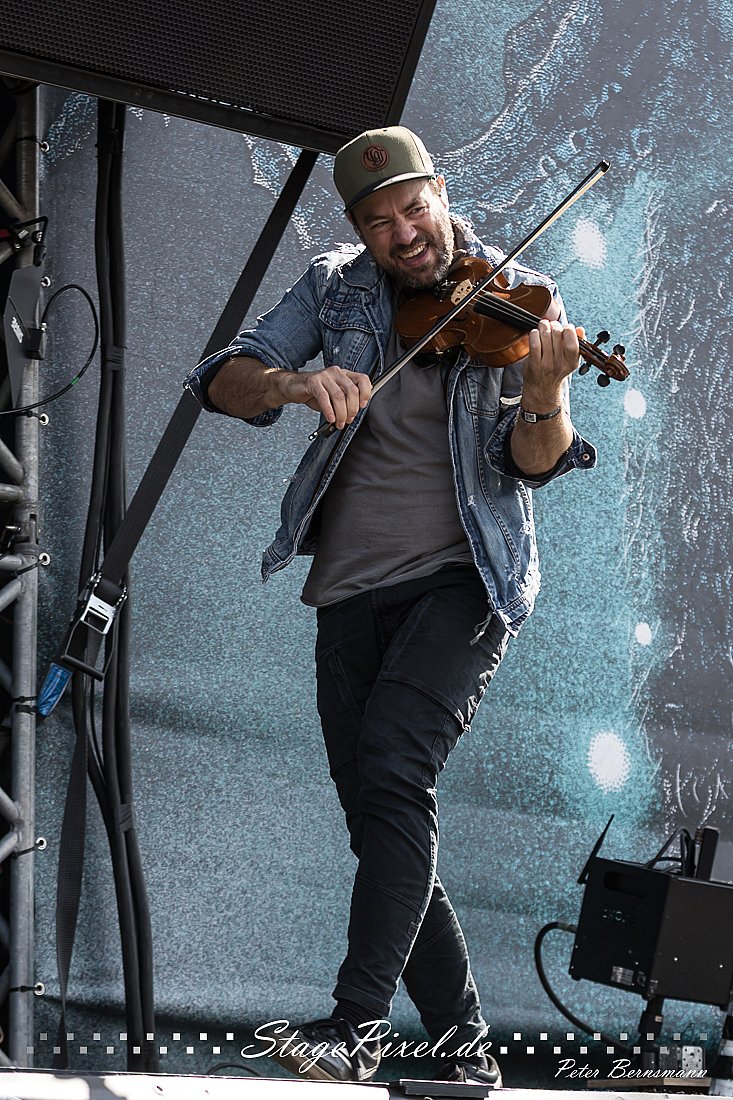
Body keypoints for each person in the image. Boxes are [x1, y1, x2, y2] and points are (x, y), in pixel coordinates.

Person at [184, 126, 597, 1085]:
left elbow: (533, 465)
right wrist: (296, 382)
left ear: (440, 192)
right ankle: (463, 1052)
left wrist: (545, 394)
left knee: (394, 776)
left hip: (463, 582)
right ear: (357, 229)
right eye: (379, 223)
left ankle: (354, 1025)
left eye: (414, 209)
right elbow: (219, 377)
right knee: (378, 817)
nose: (404, 234)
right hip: (346, 591)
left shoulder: (522, 300)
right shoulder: (335, 287)